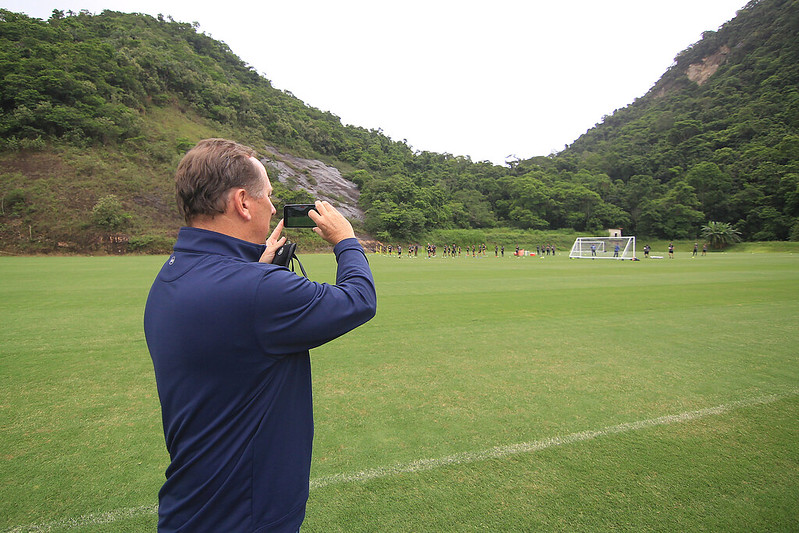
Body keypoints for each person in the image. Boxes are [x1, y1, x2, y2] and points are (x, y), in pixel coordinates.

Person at [143, 139, 377, 533]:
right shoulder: (256, 291)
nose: (272, 207)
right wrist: (346, 241)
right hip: (246, 515)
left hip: (194, 506)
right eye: (267, 196)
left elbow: (232, 315)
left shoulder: (172, 273)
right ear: (243, 202)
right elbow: (358, 299)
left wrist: (254, 266)